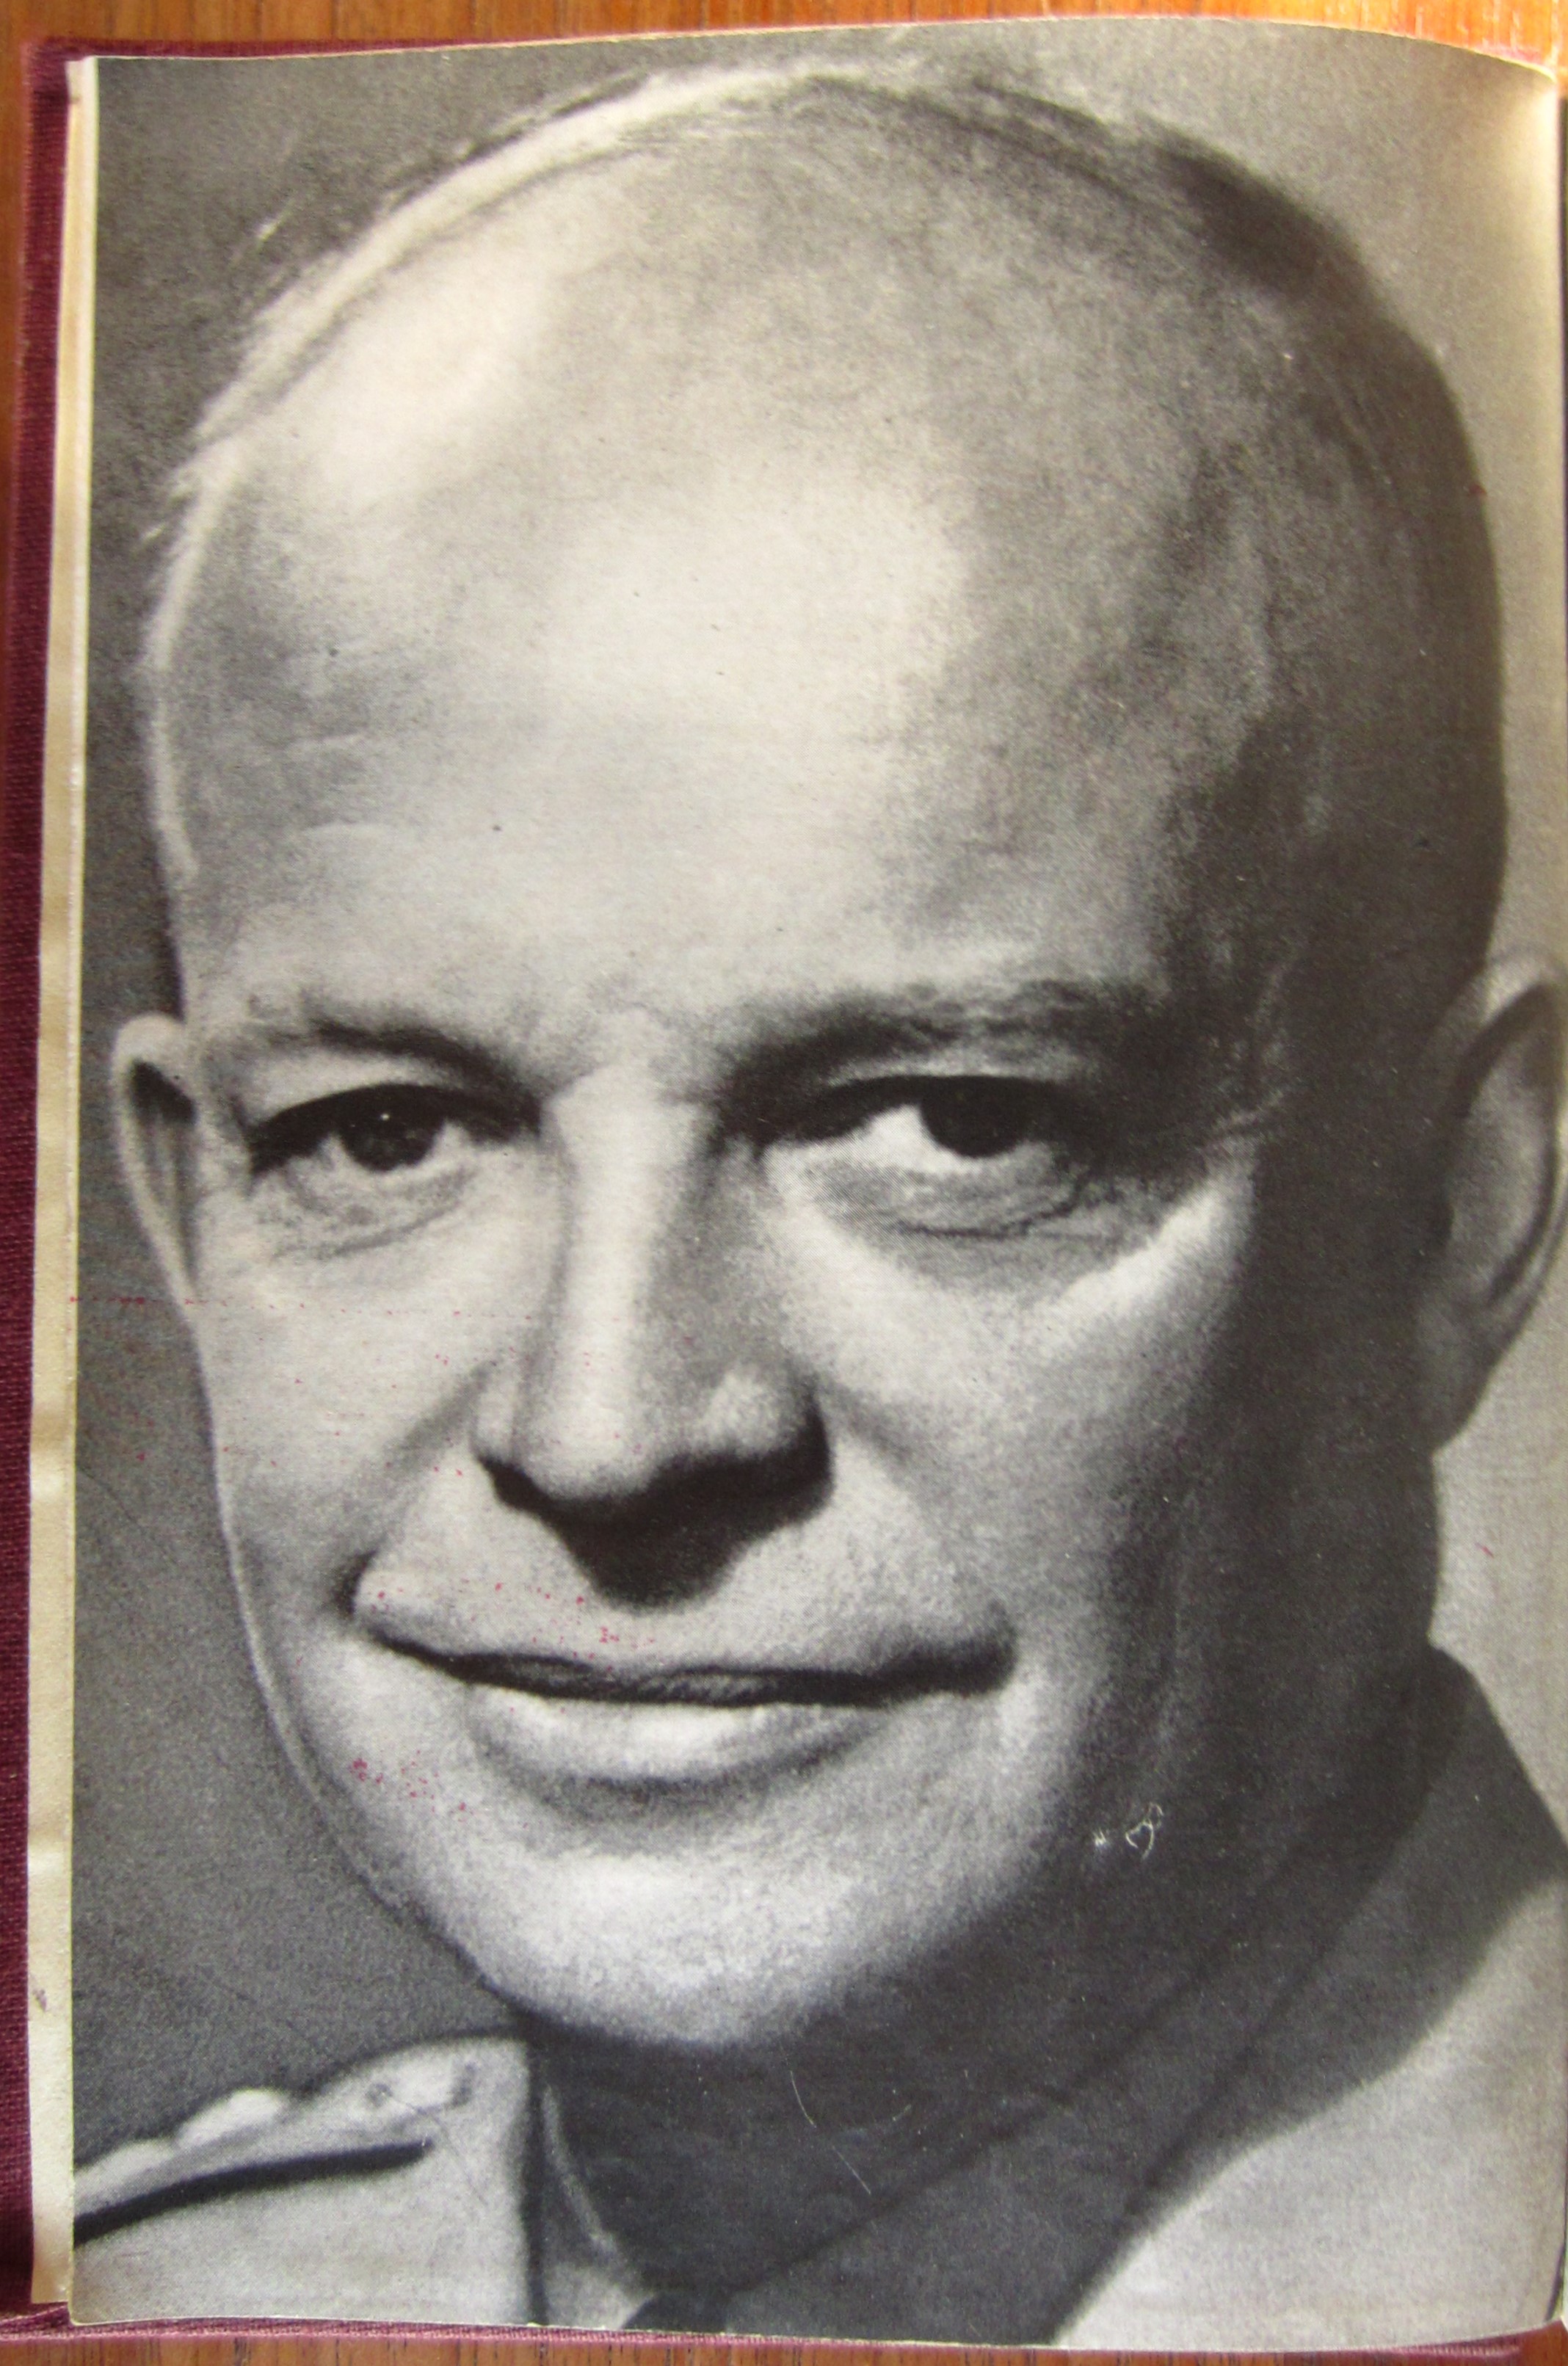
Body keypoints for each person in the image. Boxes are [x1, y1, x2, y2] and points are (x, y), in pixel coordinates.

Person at [71, 56, 1568, 2343]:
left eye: (950, 1126)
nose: (608, 1431)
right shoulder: (146, 2293)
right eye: (386, 1132)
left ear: (1458, 1209)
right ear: (191, 1213)